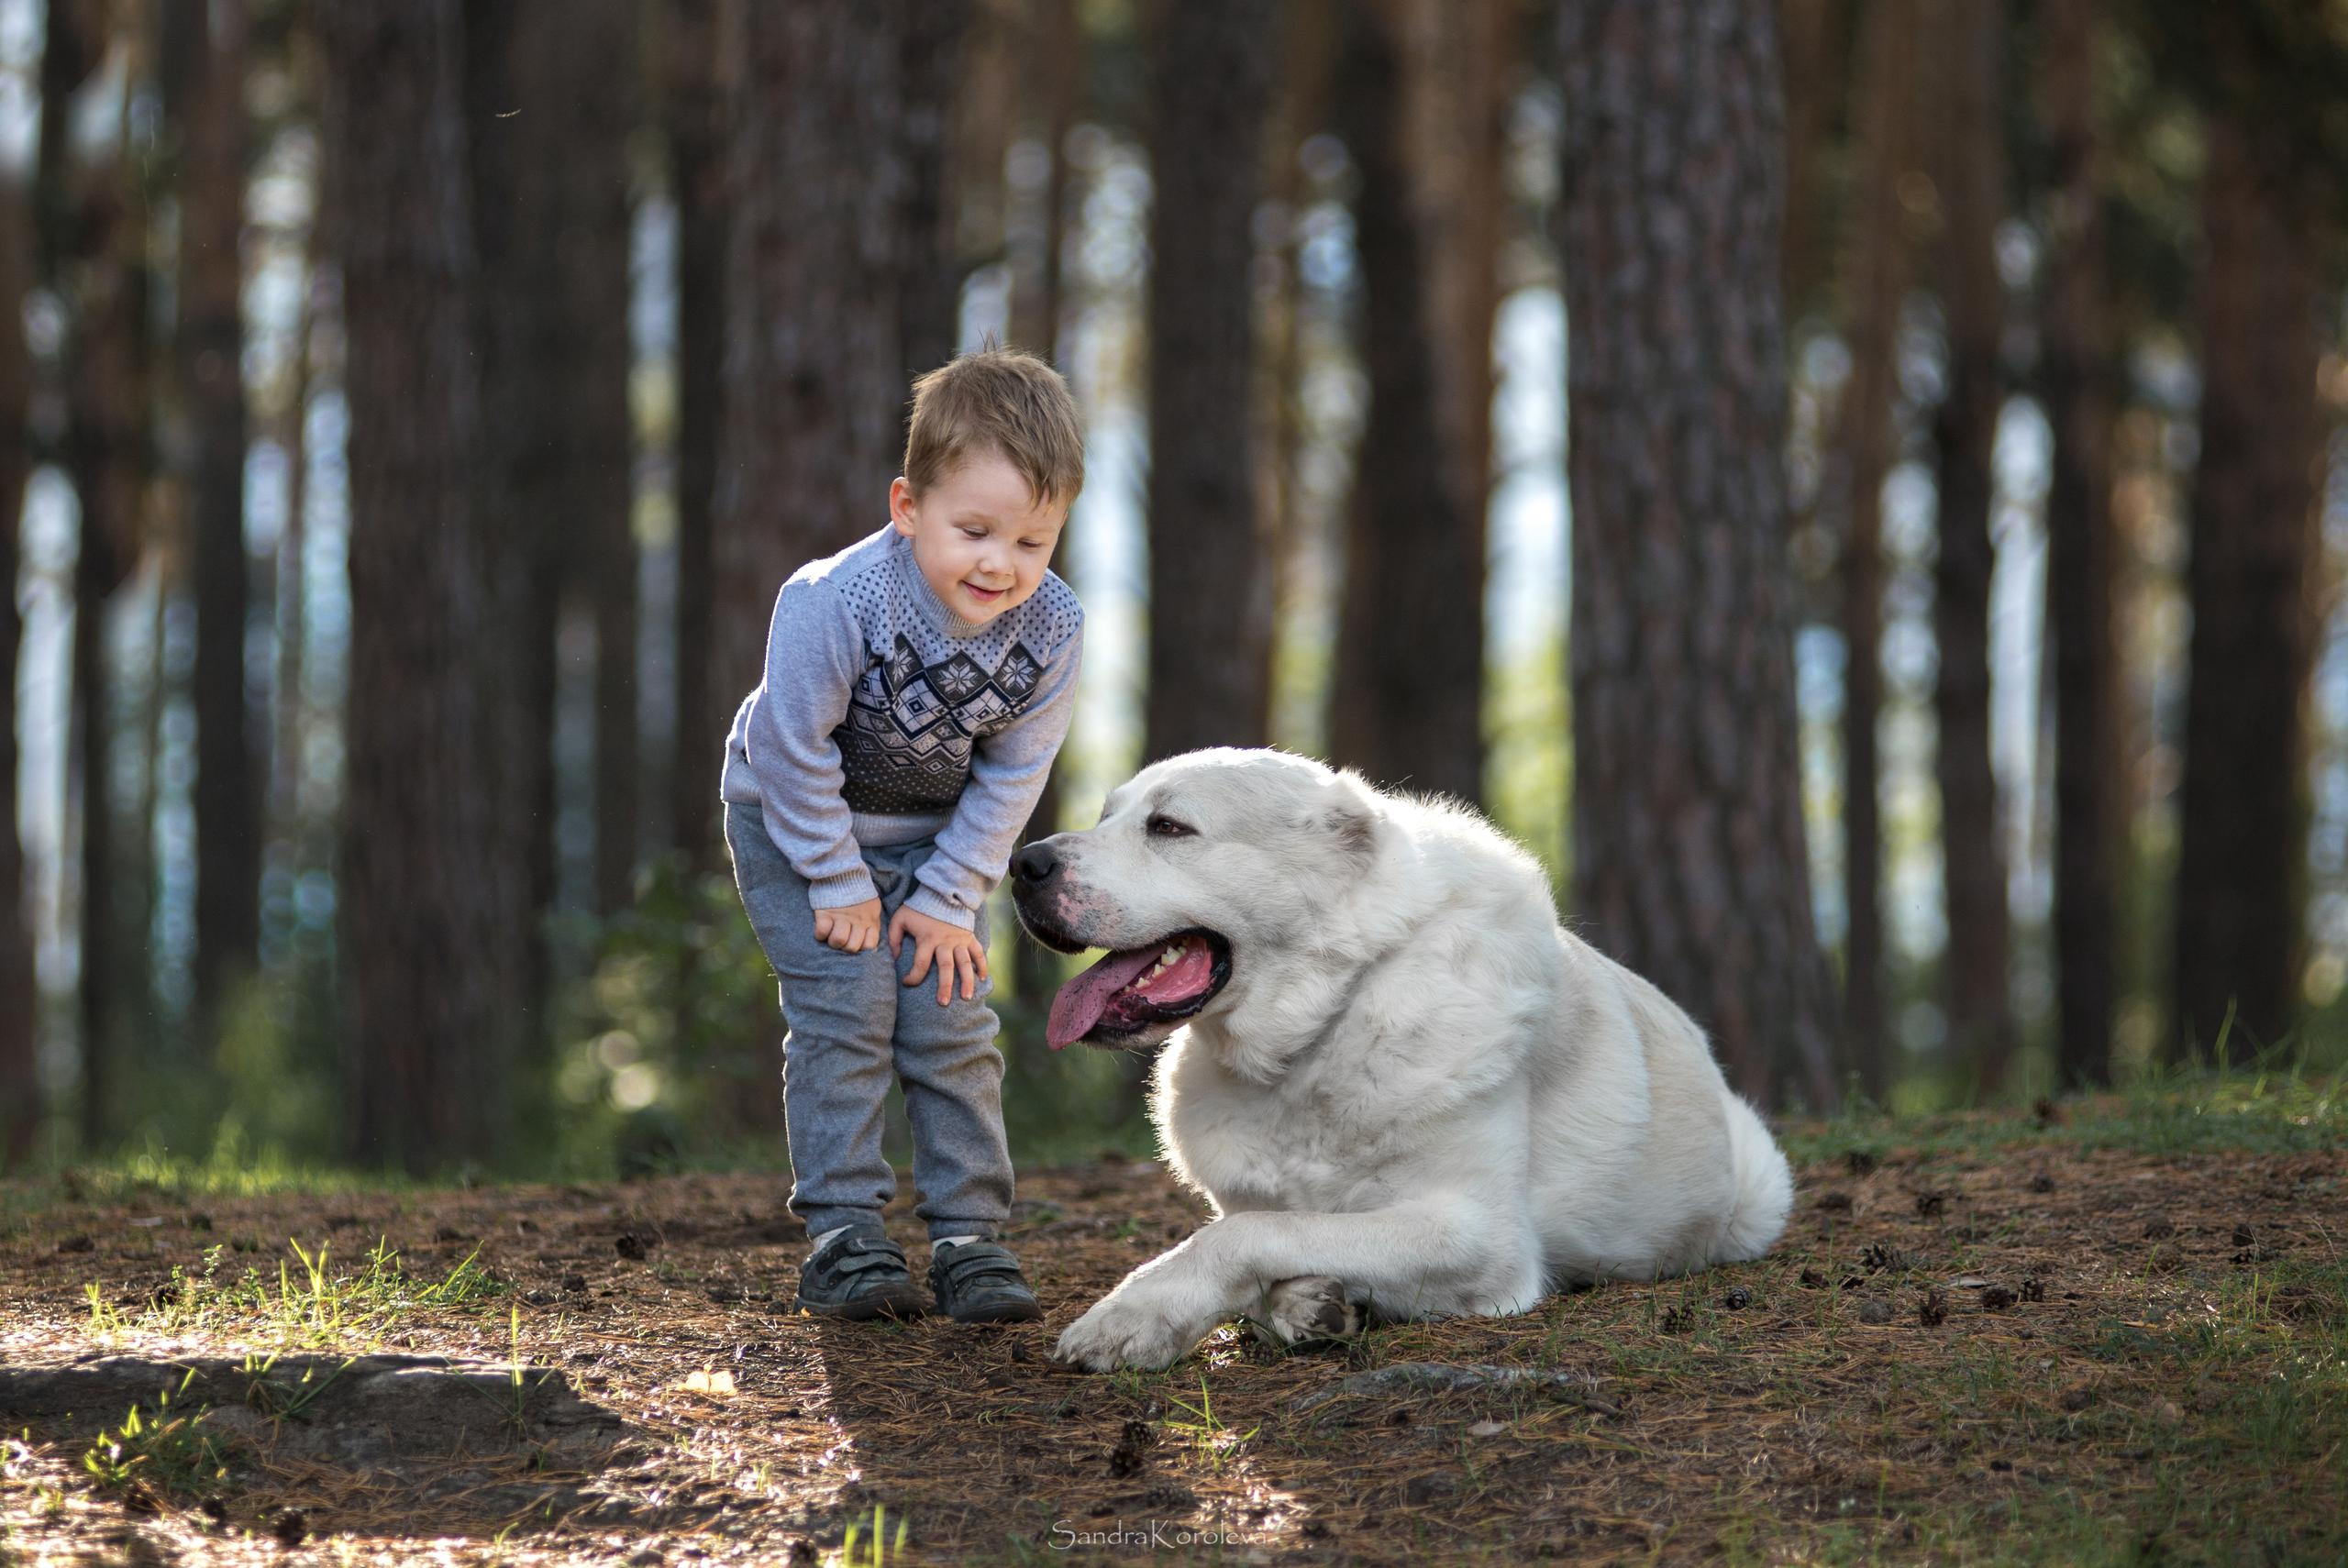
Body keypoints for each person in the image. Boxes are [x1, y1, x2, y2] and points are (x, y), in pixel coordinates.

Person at [720, 348, 1084, 1323]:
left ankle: (969, 1235)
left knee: (952, 1019)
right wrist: (836, 881)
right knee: (848, 1009)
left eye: (1033, 541)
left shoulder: (1049, 629)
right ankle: (844, 1234)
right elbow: (791, 752)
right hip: (794, 822)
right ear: (907, 506)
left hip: (934, 839)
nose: (1000, 565)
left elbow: (1014, 773)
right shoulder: (832, 602)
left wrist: (946, 895)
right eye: (975, 531)